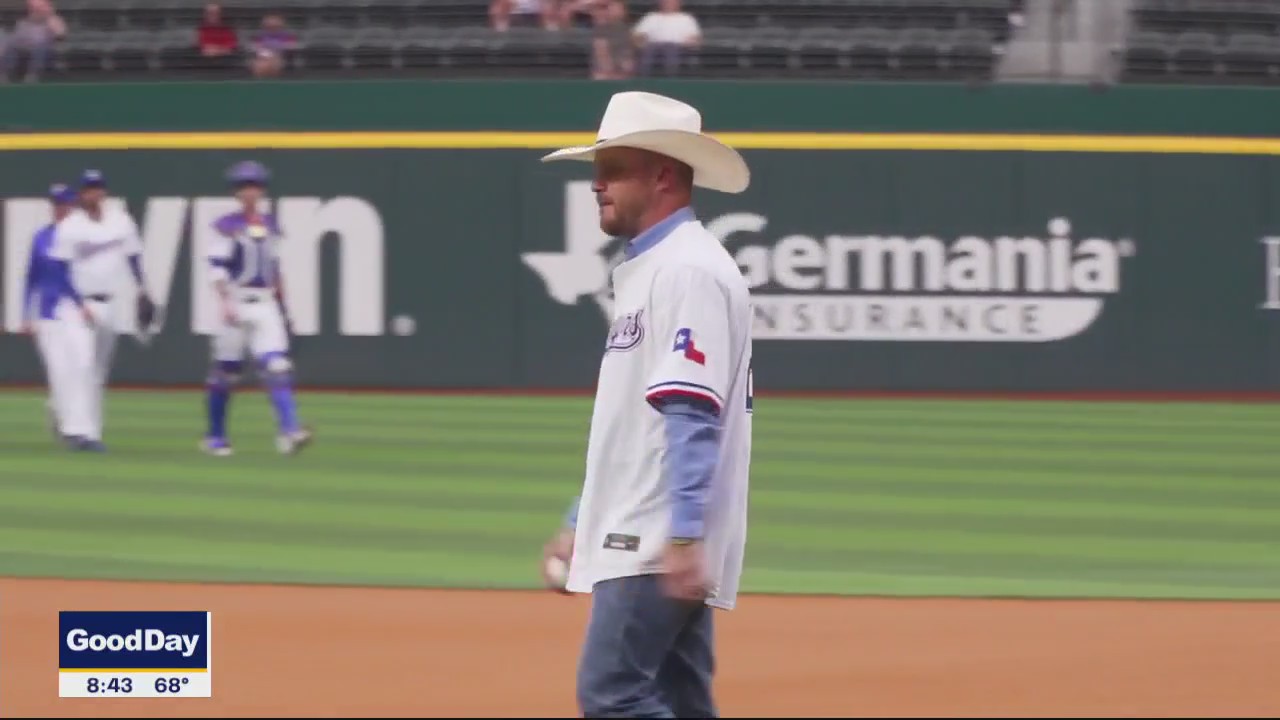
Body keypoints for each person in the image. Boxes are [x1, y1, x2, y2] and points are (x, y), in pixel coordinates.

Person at [538, 91, 755, 718]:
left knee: (614, 695)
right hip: (653, 529)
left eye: (613, 169)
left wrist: (684, 535)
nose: (595, 185)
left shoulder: (686, 271)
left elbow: (691, 413)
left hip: (655, 534)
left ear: (663, 173)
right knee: (680, 701)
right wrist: (582, 517)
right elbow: (635, 424)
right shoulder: (657, 267)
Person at [202, 160, 313, 457]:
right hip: (236, 300)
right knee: (226, 373)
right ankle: (215, 435)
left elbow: (275, 268)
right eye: (244, 187)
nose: (250, 192)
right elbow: (216, 268)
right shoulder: (226, 226)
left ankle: (290, 430)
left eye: (254, 186)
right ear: (236, 192)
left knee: (277, 366)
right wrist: (224, 302)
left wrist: (284, 306)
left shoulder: (271, 225)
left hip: (265, 302)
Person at [45, 169, 153, 452]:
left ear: (104, 191)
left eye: (98, 187)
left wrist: (142, 288)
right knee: (81, 363)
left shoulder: (121, 220)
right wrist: (79, 305)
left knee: (98, 371)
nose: (94, 193)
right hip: (76, 306)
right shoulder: (71, 226)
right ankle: (76, 431)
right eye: (89, 188)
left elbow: (133, 256)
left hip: (110, 303)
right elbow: (59, 271)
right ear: (81, 194)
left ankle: (91, 432)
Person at [21, 182, 79, 441]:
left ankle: (63, 411)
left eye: (64, 203)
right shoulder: (41, 237)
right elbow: (31, 278)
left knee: (77, 368)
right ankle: (66, 422)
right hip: (47, 311)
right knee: (57, 369)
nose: (60, 208)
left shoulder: (83, 236)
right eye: (56, 204)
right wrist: (25, 315)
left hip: (78, 311)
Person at [1, 0, 66, 83]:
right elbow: (16, 39)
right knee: (10, 47)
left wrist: (49, 22)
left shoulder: (54, 20)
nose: (36, 11)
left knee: (40, 48)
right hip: (25, 49)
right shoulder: (23, 22)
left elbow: (60, 36)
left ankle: (32, 75)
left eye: (39, 9)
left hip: (47, 50)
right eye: (33, 9)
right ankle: (5, 74)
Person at [632, 0, 701, 76]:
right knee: (649, 50)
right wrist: (640, 42)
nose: (668, 3)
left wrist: (690, 42)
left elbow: (695, 38)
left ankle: (670, 79)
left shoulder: (687, 18)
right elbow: (637, 35)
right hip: (653, 46)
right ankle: (644, 79)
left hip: (679, 48)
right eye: (666, 1)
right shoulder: (651, 17)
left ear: (678, 3)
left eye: (672, 1)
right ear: (660, 2)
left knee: (670, 48)